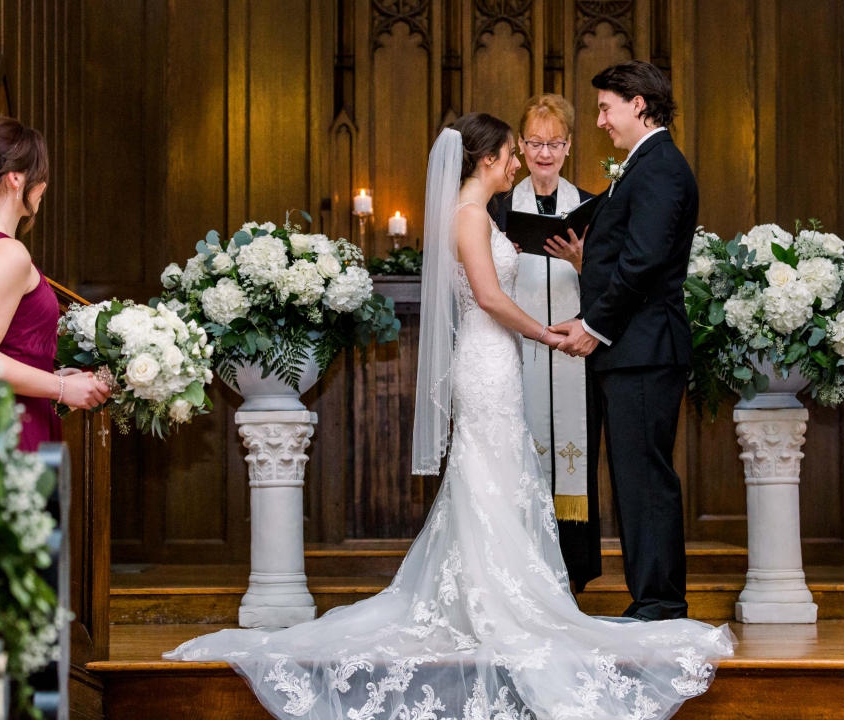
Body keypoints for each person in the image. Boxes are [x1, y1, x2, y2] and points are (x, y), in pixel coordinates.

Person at [163, 112, 733, 720]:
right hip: (489, 365)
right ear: (486, 160)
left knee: (493, 477)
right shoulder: (468, 216)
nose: (517, 164)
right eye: (512, 154)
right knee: (487, 475)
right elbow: (488, 298)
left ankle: (483, 596)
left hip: (497, 363)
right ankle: (492, 603)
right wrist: (546, 333)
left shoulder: (479, 217)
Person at [549, 61, 699, 621]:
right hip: (633, 348)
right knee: (635, 478)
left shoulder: (659, 167)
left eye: (606, 106)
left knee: (645, 479)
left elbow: (643, 262)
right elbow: (627, 257)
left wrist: (592, 326)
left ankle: (659, 602)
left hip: (644, 349)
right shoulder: (643, 166)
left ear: (640, 104)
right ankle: (652, 597)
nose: (600, 120)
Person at [487, 94, 599, 591]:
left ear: (569, 146)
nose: (545, 152)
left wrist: (582, 262)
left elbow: (614, 287)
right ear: (522, 146)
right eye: (535, 142)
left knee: (577, 459)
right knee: (521, 457)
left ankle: (571, 576)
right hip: (523, 349)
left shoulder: (594, 206)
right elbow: (483, 282)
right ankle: (525, 574)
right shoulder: (501, 207)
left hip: (579, 353)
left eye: (555, 142)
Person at [0, 116, 109, 451]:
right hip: (15, 427)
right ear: (16, 178)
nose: (44, 185)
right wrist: (61, 389)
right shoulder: (9, 254)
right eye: (41, 174)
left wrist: (56, 378)